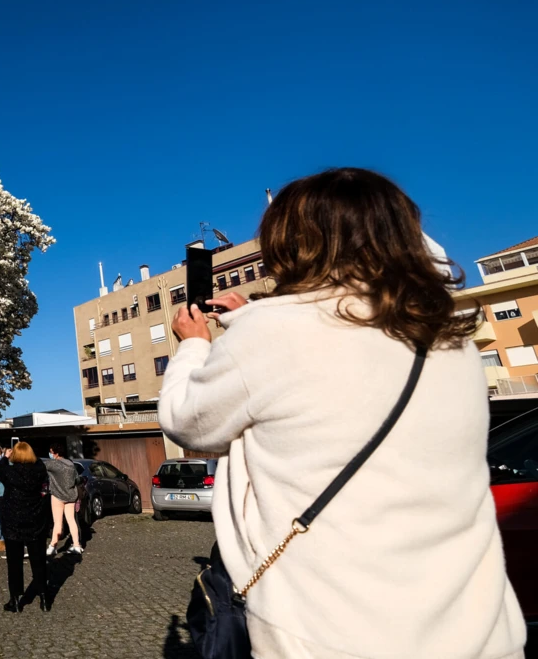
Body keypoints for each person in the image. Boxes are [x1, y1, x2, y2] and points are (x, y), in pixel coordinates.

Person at [159, 168, 525, 659]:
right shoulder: (447, 336)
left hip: (332, 631)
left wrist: (194, 346)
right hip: (477, 630)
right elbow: (342, 367)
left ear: (294, 242)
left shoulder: (275, 333)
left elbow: (188, 419)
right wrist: (251, 316)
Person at [0, 441, 50, 613]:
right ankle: (44, 597)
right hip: (35, 520)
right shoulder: (38, 471)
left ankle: (15, 600)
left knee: (14, 562)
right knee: (38, 560)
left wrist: (5, 457)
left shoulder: (10, 472)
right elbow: (40, 464)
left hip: (13, 522)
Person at [45, 443, 82, 556]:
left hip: (57, 495)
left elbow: (40, 468)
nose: (50, 454)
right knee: (71, 520)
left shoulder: (52, 464)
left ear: (55, 453)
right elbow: (77, 479)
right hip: (71, 495)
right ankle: (76, 545)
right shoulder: (70, 464)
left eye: (51, 452)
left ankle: (53, 546)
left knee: (58, 522)